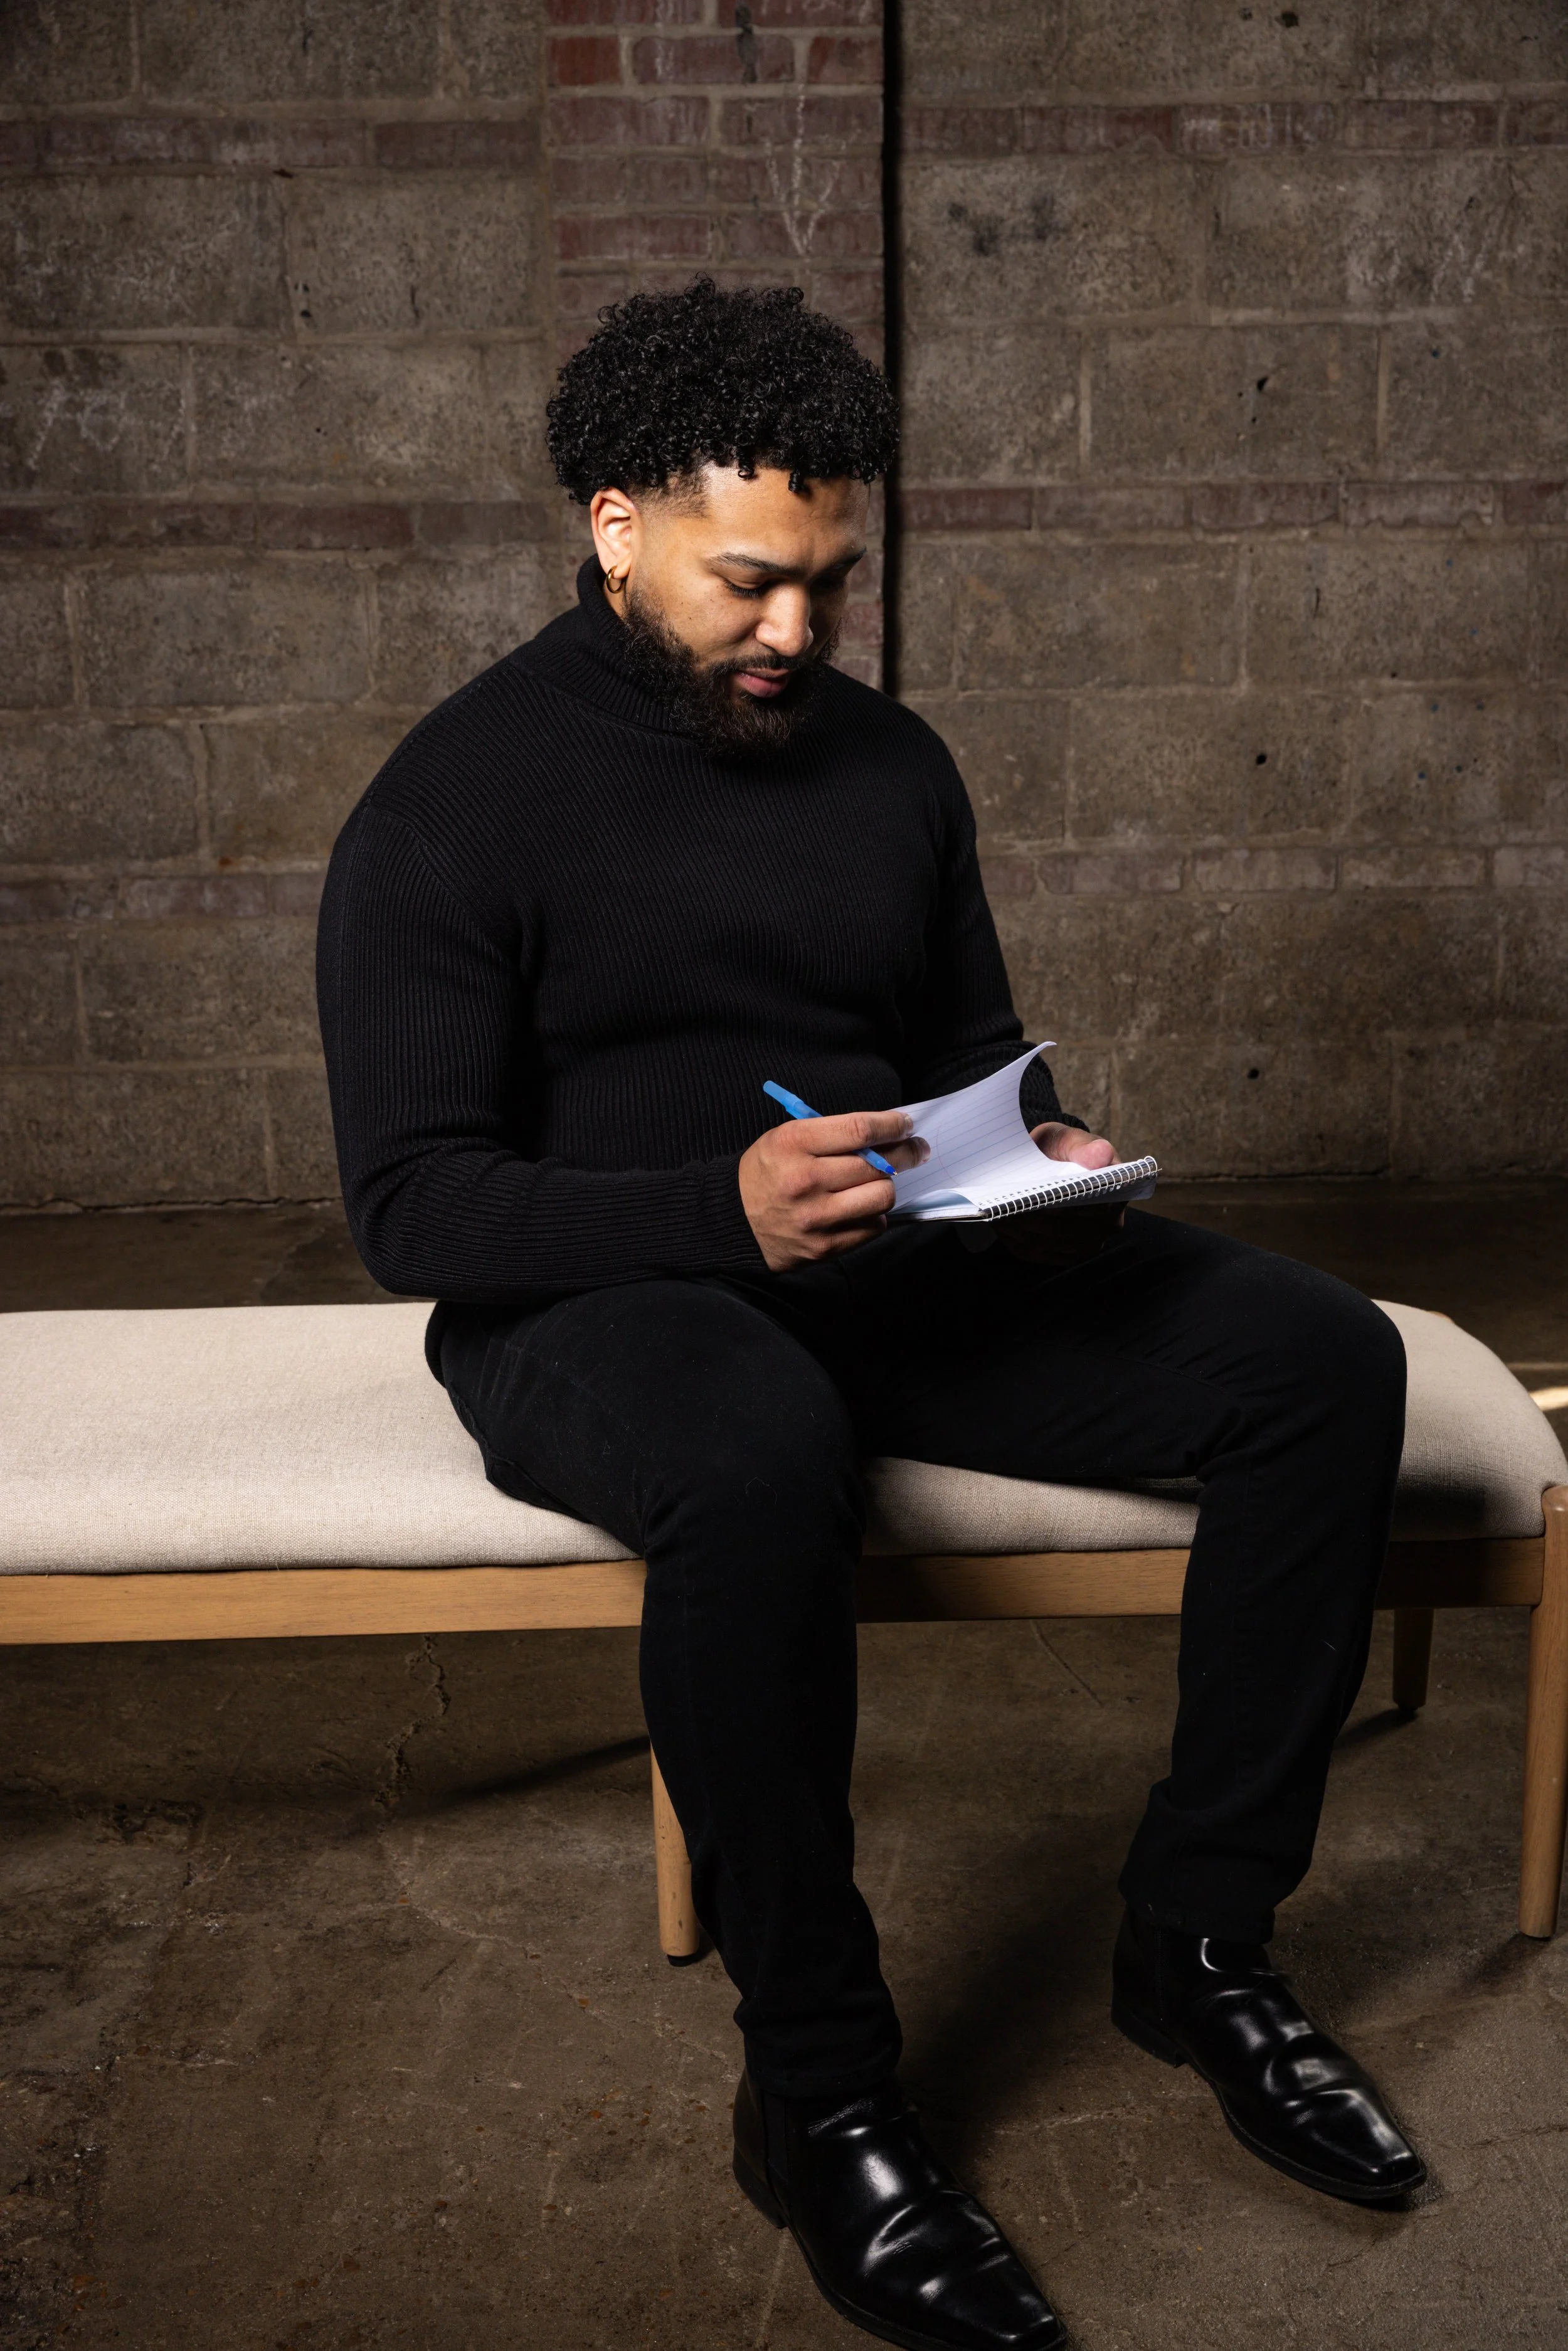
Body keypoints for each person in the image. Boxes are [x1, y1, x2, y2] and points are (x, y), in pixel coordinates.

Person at [317, 278, 1424, 2351]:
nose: (798, 635)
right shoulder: (451, 800)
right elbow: (411, 1202)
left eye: (830, 583)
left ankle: (1195, 1946)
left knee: (1317, 1362)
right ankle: (817, 2092)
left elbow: (972, 1058)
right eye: (751, 582)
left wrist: (1047, 1177)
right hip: (594, 1296)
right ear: (616, 518)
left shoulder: (890, 768)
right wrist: (711, 1208)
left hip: (893, 1267)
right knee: (754, 1456)